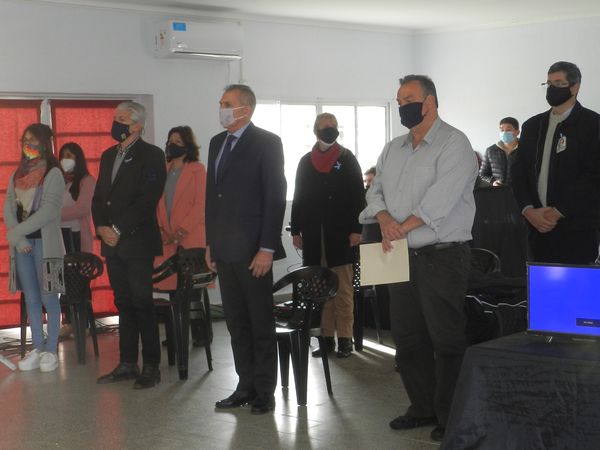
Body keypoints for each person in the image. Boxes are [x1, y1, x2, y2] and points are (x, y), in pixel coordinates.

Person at [360, 75, 478, 442]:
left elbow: (440, 201)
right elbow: (374, 192)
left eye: (408, 99)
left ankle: (450, 414)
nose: (402, 106)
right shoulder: (392, 149)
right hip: (398, 255)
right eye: (398, 101)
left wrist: (401, 227)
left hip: (441, 256)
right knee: (408, 339)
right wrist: (384, 220)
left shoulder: (454, 144)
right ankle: (421, 408)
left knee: (446, 339)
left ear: (429, 103)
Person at [205, 84, 286, 414]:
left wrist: (267, 247)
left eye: (227, 103)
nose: (222, 108)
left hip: (254, 251)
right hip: (224, 249)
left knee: (259, 323)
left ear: (246, 109)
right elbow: (213, 197)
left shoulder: (267, 142)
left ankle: (264, 390)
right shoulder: (216, 143)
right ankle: (244, 385)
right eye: (221, 103)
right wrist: (210, 243)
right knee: (236, 323)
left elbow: (274, 196)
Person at [92, 101, 166, 389]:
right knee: (122, 302)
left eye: (122, 118)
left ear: (137, 125)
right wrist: (101, 228)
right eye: (115, 117)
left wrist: (118, 228)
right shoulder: (108, 155)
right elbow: (99, 197)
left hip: (137, 241)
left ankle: (151, 366)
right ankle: (127, 363)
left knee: (142, 302)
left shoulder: (152, 155)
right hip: (112, 244)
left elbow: (148, 200)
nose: (116, 123)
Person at [290, 112, 364, 358]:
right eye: (325, 127)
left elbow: (358, 196)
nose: (330, 130)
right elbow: (299, 196)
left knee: (342, 290)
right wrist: (296, 229)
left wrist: (357, 229)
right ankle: (325, 339)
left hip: (341, 235)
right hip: (313, 236)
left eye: (333, 126)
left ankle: (345, 339)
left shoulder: (347, 159)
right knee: (320, 289)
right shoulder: (305, 162)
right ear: (316, 131)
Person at [512, 61, 600, 264]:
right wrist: (528, 210)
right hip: (537, 226)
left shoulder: (592, 124)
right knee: (541, 281)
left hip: (578, 228)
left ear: (575, 87)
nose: (552, 88)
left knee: (576, 283)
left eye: (559, 83)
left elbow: (593, 177)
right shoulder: (532, 126)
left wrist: (557, 212)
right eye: (549, 83)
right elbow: (519, 172)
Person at [4, 123, 65, 372]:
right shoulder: (17, 173)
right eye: (25, 139)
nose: (28, 144)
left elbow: (49, 211)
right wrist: (19, 239)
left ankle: (51, 350)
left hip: (46, 244)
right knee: (31, 297)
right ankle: (37, 346)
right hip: (23, 245)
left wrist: (17, 232)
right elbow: (9, 208)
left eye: (33, 140)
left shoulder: (53, 173)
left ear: (44, 143)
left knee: (49, 296)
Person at [154, 126, 210, 346]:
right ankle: (176, 334)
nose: (172, 145)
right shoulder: (164, 170)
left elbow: (201, 204)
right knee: (173, 287)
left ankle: (200, 334)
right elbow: (158, 205)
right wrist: (162, 230)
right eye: (170, 141)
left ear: (187, 146)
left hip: (190, 236)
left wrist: (181, 231)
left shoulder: (198, 170)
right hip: (168, 238)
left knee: (192, 289)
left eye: (177, 141)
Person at [58, 142, 96, 338]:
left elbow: (82, 209)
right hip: (60, 238)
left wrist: (55, 214)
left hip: (78, 238)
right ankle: (69, 322)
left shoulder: (87, 180)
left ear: (78, 158)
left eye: (70, 155)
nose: (66, 159)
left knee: (80, 280)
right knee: (64, 281)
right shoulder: (58, 181)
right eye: (63, 155)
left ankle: (84, 323)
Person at [479, 117, 520, 186]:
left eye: (508, 130)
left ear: (517, 132)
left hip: (520, 190)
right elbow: (482, 175)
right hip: (499, 190)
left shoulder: (526, 149)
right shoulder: (490, 150)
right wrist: (492, 182)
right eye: (502, 130)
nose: (504, 133)